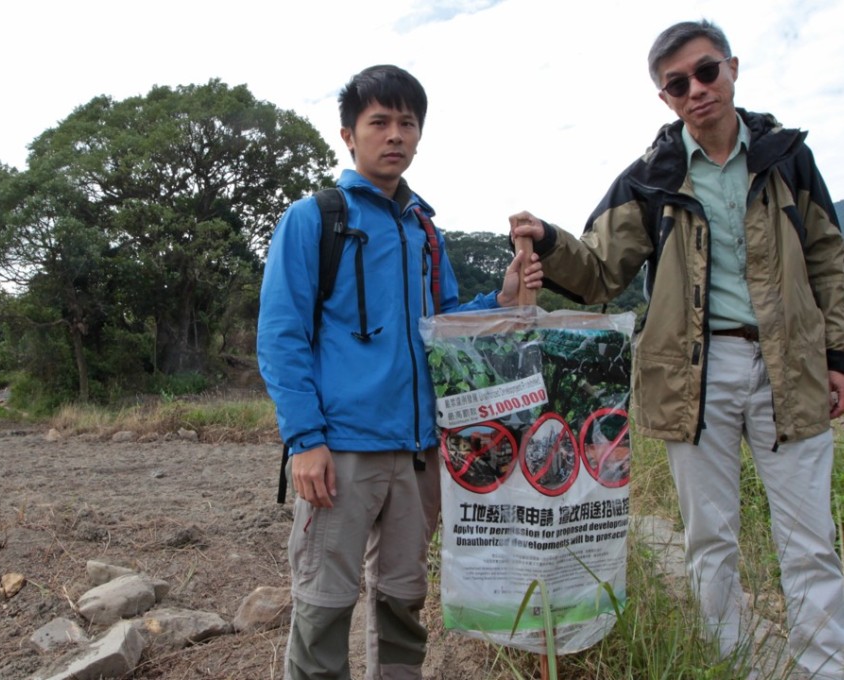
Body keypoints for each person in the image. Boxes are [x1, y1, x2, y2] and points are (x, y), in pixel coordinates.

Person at [509, 19, 844, 679]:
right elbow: (602, 270)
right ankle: (732, 667)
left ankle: (825, 668)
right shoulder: (649, 178)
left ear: (733, 67)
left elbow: (829, 259)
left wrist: (838, 355)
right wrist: (547, 239)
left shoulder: (787, 158)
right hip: (693, 375)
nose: (696, 90)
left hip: (791, 367)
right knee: (709, 542)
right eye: (677, 84)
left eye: (706, 71)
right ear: (664, 98)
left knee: (811, 542)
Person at [257, 64, 542, 680]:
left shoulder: (424, 232)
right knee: (324, 603)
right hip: (342, 449)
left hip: (420, 453)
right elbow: (281, 337)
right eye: (379, 122)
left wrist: (502, 298)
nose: (394, 135)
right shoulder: (313, 219)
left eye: (406, 123)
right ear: (348, 135)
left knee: (403, 600)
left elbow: (442, 328)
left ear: (419, 135)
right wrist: (305, 441)